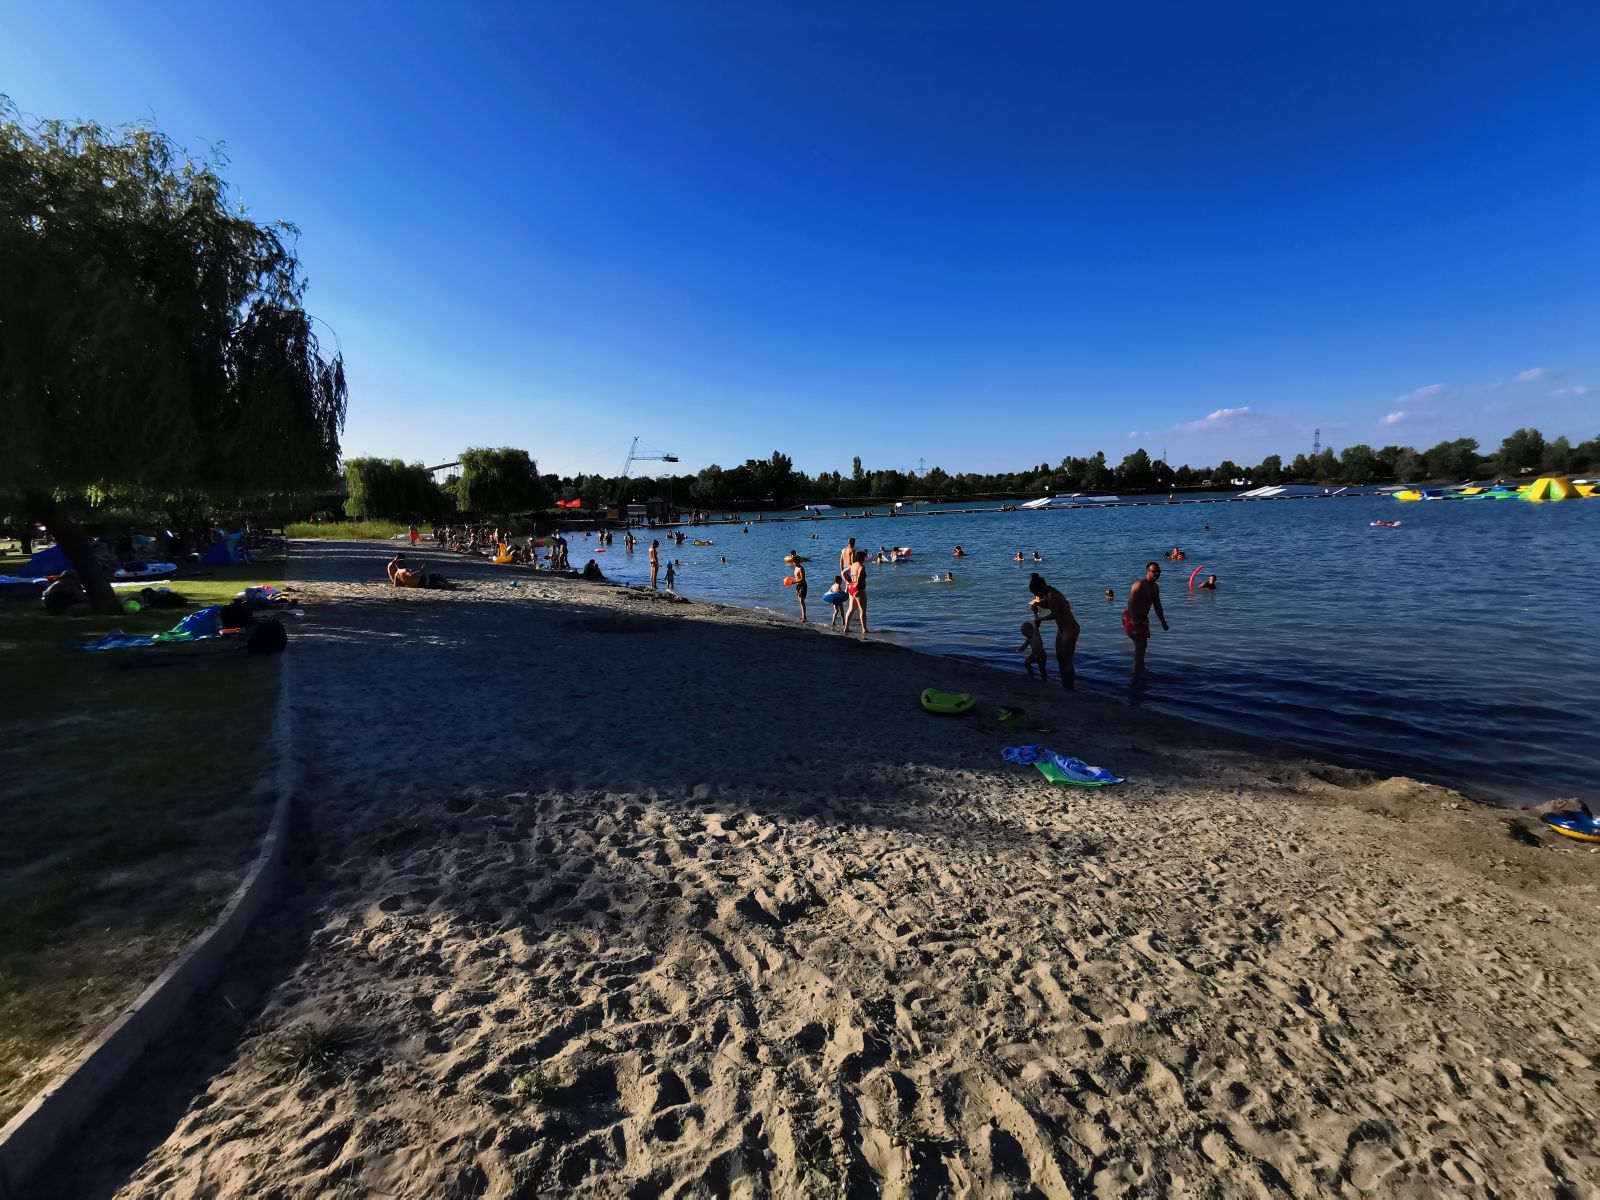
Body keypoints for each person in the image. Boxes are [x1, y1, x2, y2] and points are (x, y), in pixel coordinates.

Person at [1027, 572, 1080, 689]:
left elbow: (1055, 614)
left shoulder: (1052, 595)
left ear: (1040, 588)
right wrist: (1038, 604)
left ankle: (1069, 686)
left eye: (1035, 592)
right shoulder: (1048, 593)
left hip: (1070, 628)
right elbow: (1050, 605)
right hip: (1062, 628)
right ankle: (1065, 684)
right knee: (1060, 657)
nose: (1036, 595)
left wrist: (1040, 619)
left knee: (1066, 659)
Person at [1125, 562, 1170, 681]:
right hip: (1132, 617)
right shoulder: (1139, 585)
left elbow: (1157, 605)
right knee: (1139, 646)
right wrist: (1134, 620)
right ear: (1147, 571)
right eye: (1154, 571)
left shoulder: (1155, 588)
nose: (1157, 574)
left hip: (1143, 618)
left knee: (1143, 646)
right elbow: (1130, 604)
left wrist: (1163, 621)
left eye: (1159, 572)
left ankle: (1140, 671)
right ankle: (1136, 674)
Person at [843, 550, 869, 640]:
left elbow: (843, 573)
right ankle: (864, 629)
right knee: (863, 610)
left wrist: (847, 582)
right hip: (859, 589)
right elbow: (859, 576)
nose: (864, 559)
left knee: (851, 609)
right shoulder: (862, 566)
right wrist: (857, 583)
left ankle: (846, 627)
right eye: (864, 557)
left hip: (851, 588)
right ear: (861, 558)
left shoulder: (853, 565)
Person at [791, 556, 808, 623]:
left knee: (802, 601)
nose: (794, 563)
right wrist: (794, 581)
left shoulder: (801, 569)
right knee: (800, 601)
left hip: (803, 585)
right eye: (793, 562)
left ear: (798, 561)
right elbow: (797, 577)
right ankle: (803, 615)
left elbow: (803, 579)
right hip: (798, 585)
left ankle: (804, 617)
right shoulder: (796, 568)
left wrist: (795, 582)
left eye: (795, 562)